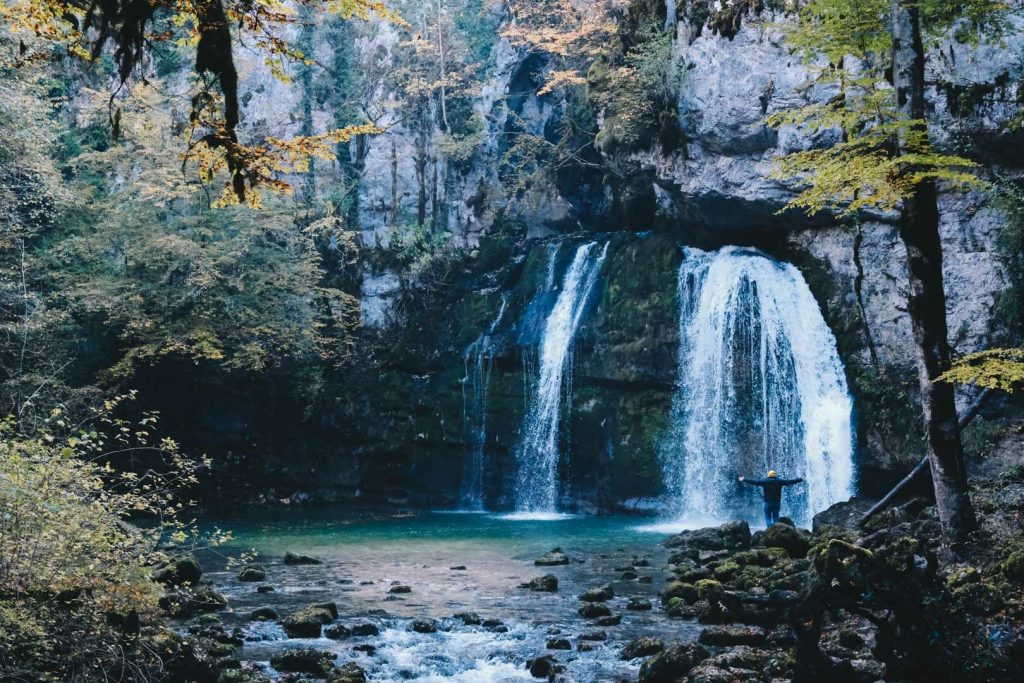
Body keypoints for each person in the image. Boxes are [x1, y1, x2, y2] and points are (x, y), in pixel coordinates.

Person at [738, 470, 804, 526]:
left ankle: (769, 530)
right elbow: (790, 482)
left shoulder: (765, 481)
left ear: (768, 475)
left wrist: (744, 479)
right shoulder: (779, 481)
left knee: (767, 516)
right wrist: (800, 479)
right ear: (775, 475)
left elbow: (755, 482)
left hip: (767, 503)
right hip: (776, 503)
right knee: (775, 517)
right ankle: (775, 530)